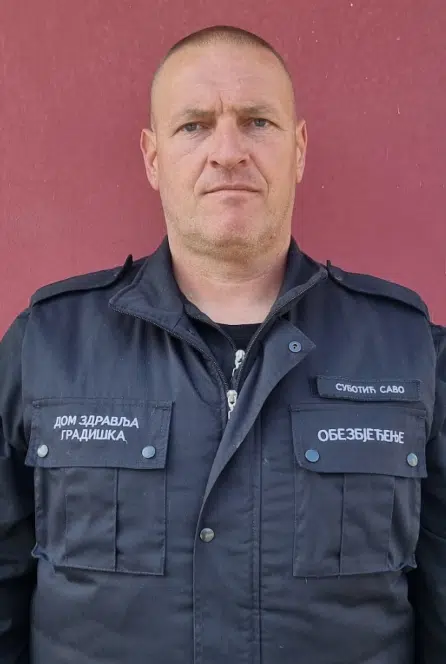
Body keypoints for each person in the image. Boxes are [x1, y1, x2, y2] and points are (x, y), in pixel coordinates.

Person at [0, 24, 444, 664]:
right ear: (153, 157)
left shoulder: (409, 350)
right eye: (195, 125)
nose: (228, 151)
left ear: (298, 150)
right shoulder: (47, 345)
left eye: (257, 122)